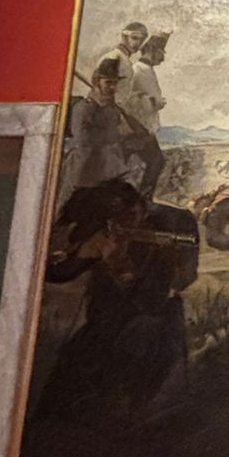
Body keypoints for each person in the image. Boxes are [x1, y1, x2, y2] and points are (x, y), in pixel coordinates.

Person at [35, 179, 200, 421]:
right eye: (115, 222)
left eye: (128, 217)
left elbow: (182, 280)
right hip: (103, 324)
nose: (122, 225)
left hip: (149, 328)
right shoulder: (103, 228)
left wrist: (128, 264)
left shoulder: (175, 222)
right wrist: (89, 254)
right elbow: (61, 273)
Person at [59, 58, 137, 205]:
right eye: (108, 82)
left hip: (108, 169)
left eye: (115, 83)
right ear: (96, 82)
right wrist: (116, 134)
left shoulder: (113, 110)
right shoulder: (83, 108)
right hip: (84, 167)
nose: (113, 87)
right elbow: (84, 140)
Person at [89, 19, 148, 105]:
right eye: (134, 38)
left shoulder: (125, 60)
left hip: (117, 108)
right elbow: (100, 87)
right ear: (124, 38)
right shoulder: (113, 57)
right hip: (103, 107)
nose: (138, 43)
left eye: (141, 40)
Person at [125, 29, 170, 135]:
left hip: (147, 129)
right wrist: (153, 102)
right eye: (161, 52)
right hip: (137, 128)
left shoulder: (148, 69)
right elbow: (126, 99)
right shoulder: (136, 70)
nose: (162, 58)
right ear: (151, 49)